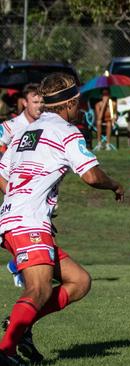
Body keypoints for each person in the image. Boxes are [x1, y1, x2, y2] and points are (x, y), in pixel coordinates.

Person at [0, 73, 124, 365]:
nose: (80, 107)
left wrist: (21, 199)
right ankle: (5, 351)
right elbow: (92, 176)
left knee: (79, 281)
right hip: (27, 222)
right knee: (39, 288)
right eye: (78, 102)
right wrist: (116, 185)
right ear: (69, 103)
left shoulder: (25, 132)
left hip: (16, 218)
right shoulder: (66, 132)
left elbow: (2, 174)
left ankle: (22, 324)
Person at [0, 84, 44, 289]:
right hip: (12, 187)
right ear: (25, 103)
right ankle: (20, 267)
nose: (40, 106)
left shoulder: (45, 126)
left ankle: (17, 266)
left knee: (40, 229)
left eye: (42, 101)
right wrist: (10, 189)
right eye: (35, 102)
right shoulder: (11, 127)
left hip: (36, 189)